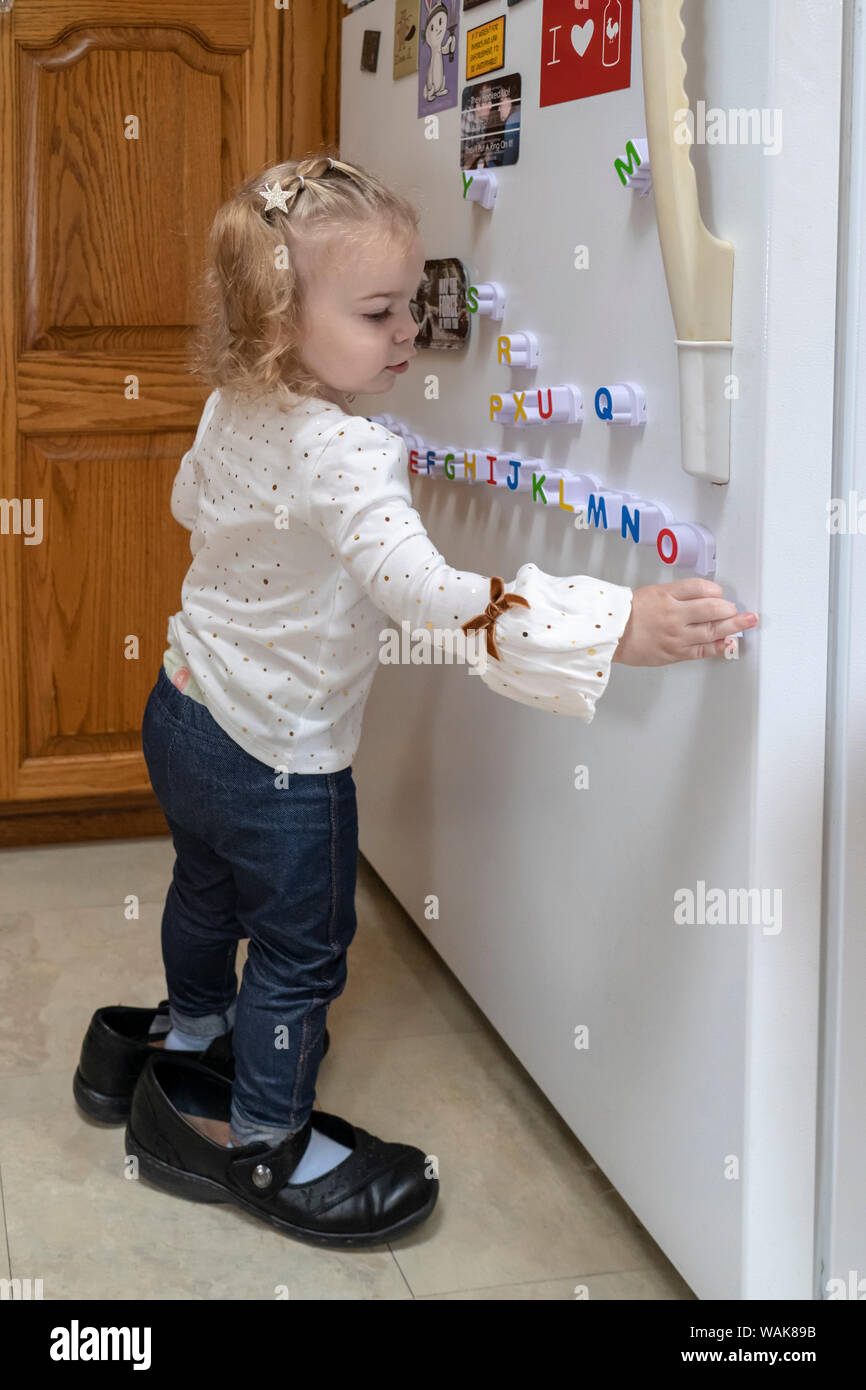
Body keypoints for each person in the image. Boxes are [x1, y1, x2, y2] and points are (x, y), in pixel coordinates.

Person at [74, 153, 758, 1247]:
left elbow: (188, 496)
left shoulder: (230, 401)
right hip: (281, 759)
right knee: (301, 951)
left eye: (415, 302)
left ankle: (188, 1039)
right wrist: (614, 625)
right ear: (278, 315)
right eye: (380, 310)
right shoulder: (348, 452)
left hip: (185, 707)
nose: (409, 332)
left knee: (203, 887)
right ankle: (257, 1135)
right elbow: (426, 597)